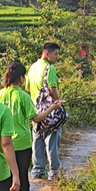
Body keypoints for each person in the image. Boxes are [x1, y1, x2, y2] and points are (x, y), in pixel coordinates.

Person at [0, 62, 62, 191]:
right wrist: (52, 107)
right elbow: (36, 118)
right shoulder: (23, 97)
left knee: (5, 171)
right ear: (20, 78)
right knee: (22, 170)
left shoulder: (0, 94)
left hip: (3, 140)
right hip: (21, 141)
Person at [26, 42, 61, 180]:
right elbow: (52, 89)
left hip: (35, 110)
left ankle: (38, 170)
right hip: (49, 111)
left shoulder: (32, 67)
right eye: (55, 54)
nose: (56, 57)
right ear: (47, 53)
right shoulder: (49, 68)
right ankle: (54, 172)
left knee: (37, 140)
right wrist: (58, 103)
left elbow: (27, 88)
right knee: (52, 140)